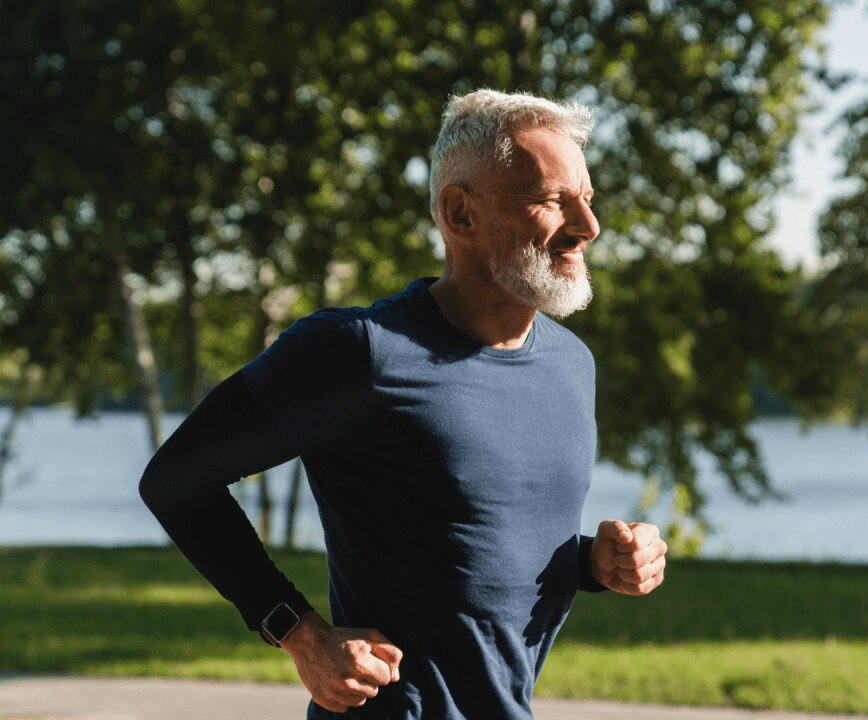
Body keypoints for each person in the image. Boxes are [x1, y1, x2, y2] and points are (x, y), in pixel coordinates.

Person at [139, 89, 668, 719]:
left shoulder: (570, 364)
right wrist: (303, 637)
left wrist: (593, 562)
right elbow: (176, 481)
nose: (588, 226)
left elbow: (478, 544)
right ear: (460, 213)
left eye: (587, 198)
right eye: (552, 201)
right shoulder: (358, 352)